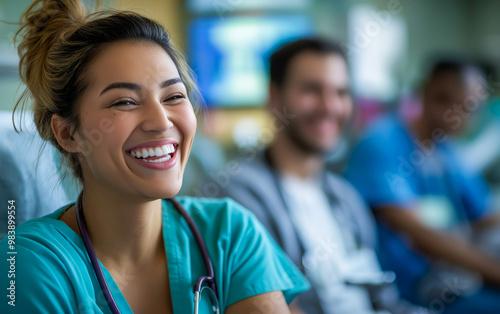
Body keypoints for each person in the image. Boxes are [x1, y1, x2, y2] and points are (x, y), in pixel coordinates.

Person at [0, 1, 310, 313]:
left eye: (174, 96)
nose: (161, 121)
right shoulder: (28, 265)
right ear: (68, 134)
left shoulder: (229, 233)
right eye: (124, 101)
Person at [213, 38, 425, 313]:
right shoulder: (236, 196)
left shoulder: (346, 197)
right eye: (312, 90)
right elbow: (278, 305)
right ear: (274, 97)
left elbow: (381, 299)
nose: (330, 106)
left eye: (341, 92)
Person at [345, 60, 500, 313]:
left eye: (471, 108)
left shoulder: (445, 152)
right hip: (409, 290)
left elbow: (486, 215)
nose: (460, 117)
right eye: (448, 102)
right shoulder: (382, 143)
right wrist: (494, 272)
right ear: (426, 93)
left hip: (452, 277)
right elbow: (422, 237)